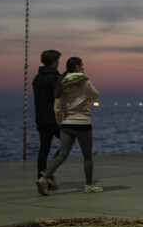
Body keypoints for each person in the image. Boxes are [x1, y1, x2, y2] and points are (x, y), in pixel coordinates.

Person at [36, 57, 101, 196]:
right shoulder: (84, 82)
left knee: (62, 155)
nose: (83, 67)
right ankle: (88, 185)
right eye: (82, 65)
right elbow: (95, 95)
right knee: (87, 157)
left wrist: (61, 123)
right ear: (77, 67)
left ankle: (44, 178)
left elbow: (57, 108)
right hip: (83, 123)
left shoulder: (61, 82)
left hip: (67, 123)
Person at [32, 49, 62, 187]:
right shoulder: (54, 78)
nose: (59, 63)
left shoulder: (37, 79)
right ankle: (49, 172)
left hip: (40, 118)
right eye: (57, 61)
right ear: (53, 62)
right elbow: (59, 97)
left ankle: (41, 176)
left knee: (44, 147)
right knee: (67, 142)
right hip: (53, 118)